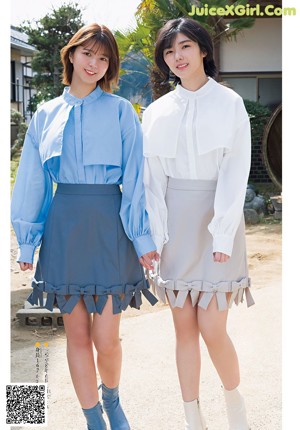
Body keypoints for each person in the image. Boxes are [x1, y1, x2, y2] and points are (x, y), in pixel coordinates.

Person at [11, 23, 159, 430]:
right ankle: (92, 418)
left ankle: (111, 398)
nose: (94, 63)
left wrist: (142, 237)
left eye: (103, 57)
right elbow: (33, 181)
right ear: (71, 55)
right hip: (65, 229)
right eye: (87, 53)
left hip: (111, 228)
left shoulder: (120, 113)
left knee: (105, 339)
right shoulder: (45, 113)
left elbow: (135, 181)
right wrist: (28, 242)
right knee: (75, 336)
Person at [142, 17, 255, 430]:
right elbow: (152, 181)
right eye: (170, 51)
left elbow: (234, 170)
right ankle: (193, 417)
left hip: (217, 223)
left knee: (212, 327)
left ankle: (233, 401)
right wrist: (156, 237)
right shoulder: (155, 113)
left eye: (185, 47)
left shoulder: (230, 103)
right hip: (174, 227)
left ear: (204, 50)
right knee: (183, 329)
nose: (178, 57)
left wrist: (223, 230)